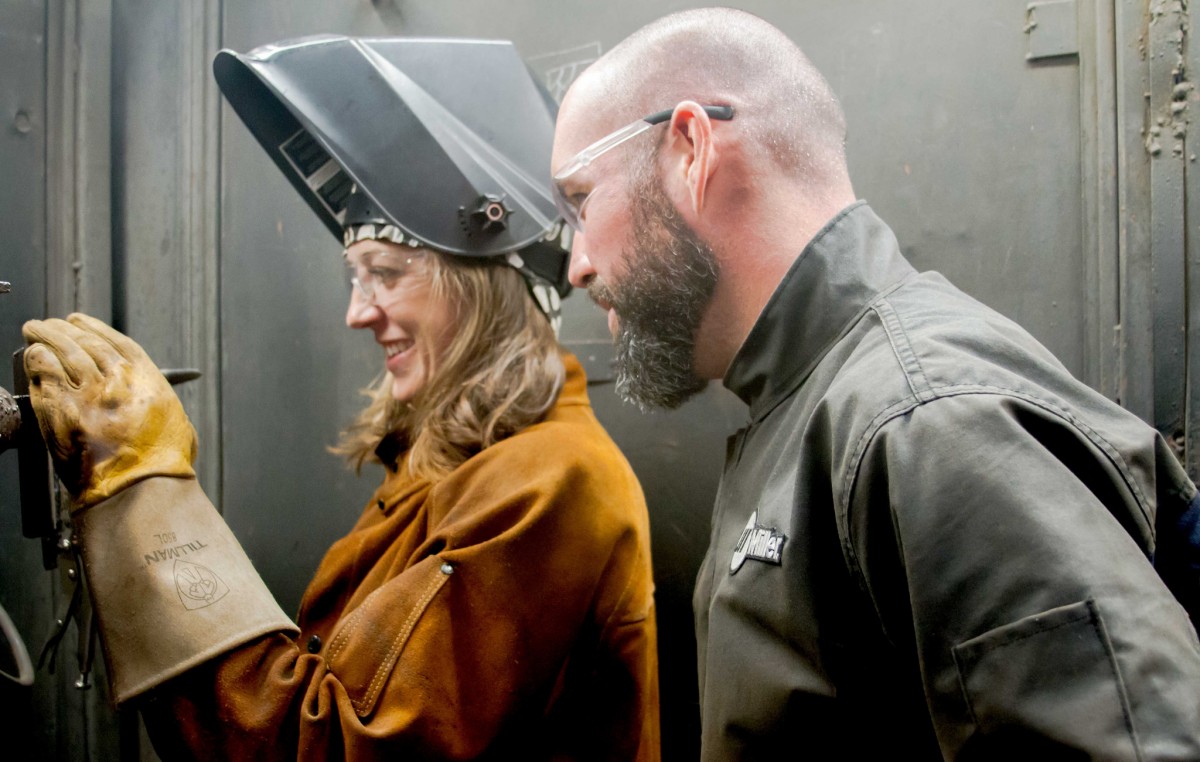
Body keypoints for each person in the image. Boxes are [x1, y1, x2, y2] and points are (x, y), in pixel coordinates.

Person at [550, 7, 1200, 759]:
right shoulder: (816, 405)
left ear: (690, 148)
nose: (578, 263)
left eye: (581, 199)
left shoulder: (927, 421)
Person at [21, 36, 659, 760]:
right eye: (357, 277)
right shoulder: (467, 462)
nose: (358, 313)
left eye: (385, 272)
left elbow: (321, 746)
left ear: (479, 291)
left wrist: (143, 489)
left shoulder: (552, 484)